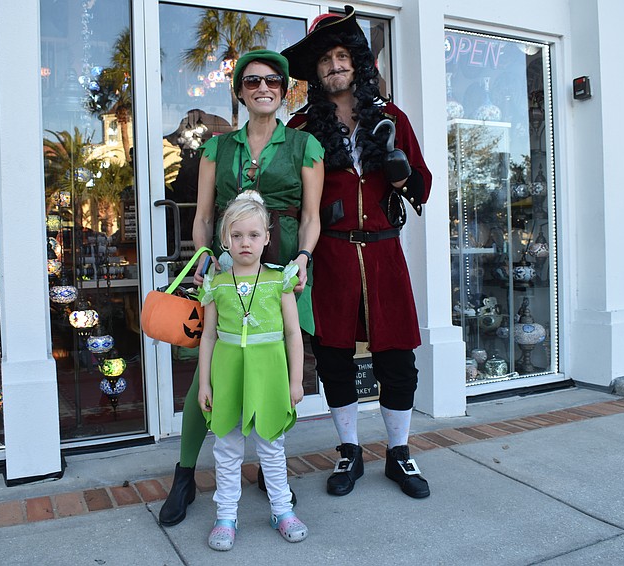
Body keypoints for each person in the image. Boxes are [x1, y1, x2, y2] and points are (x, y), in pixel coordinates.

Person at [159, 49, 324, 526]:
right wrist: (207, 254)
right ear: (240, 91)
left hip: (286, 260)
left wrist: (304, 258)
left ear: (285, 88)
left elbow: (312, 215)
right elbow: (205, 214)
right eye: (252, 81)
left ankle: (273, 475)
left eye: (273, 80)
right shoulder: (217, 147)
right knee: (209, 375)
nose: (263, 88)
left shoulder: (305, 145)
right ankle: (186, 474)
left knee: (275, 359)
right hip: (230, 265)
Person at [281, 6, 433, 499]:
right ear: (316, 72)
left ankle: (398, 454)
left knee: (397, 361)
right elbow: (288, 196)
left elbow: (424, 188)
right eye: (325, 60)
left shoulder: (391, 117)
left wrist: (399, 167)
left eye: (342, 56)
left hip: (385, 256)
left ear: (358, 63)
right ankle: (349, 452)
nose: (334, 66)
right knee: (335, 358)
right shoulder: (302, 126)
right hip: (332, 258)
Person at [198, 192, 308, 550]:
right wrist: (204, 383)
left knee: (272, 447)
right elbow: (208, 336)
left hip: (269, 376)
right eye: (237, 235)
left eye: (254, 235)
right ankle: (226, 515)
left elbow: (293, 333)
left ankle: (282, 509)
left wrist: (295, 380)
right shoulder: (216, 284)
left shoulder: (280, 281)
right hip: (228, 376)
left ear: (267, 237)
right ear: (225, 239)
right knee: (227, 449)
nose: (245, 242)